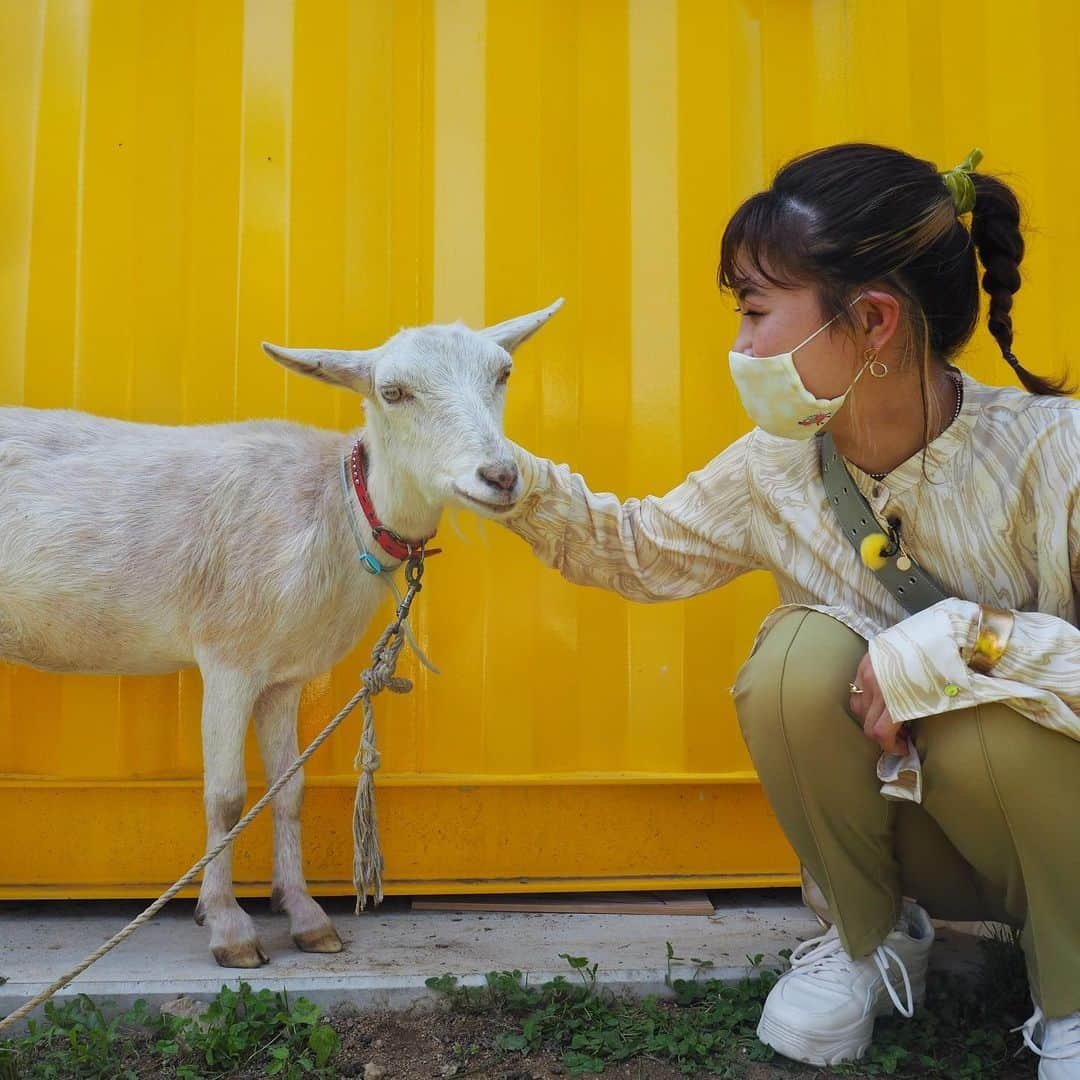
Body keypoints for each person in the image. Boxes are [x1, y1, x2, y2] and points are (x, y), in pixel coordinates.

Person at [499, 143, 1080, 1076]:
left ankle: (1075, 989)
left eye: (757, 311)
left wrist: (955, 643)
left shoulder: (1054, 454)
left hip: (1052, 829)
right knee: (791, 664)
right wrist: (510, 480)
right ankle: (873, 938)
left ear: (874, 320)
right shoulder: (775, 466)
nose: (740, 346)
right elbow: (643, 549)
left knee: (988, 726)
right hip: (925, 827)